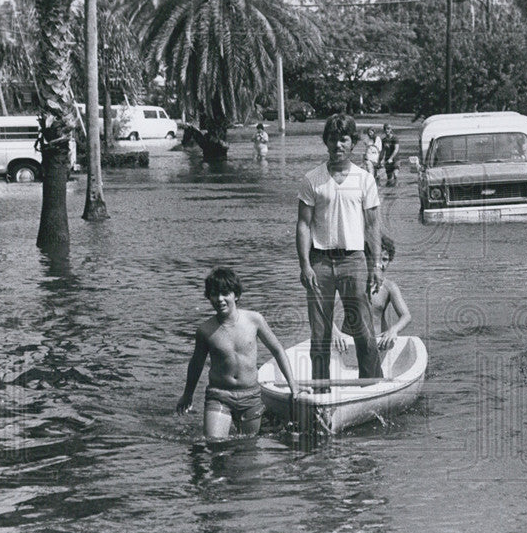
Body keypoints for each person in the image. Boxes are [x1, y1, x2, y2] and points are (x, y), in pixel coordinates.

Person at [296, 113, 384, 384]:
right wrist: (305, 265)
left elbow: (372, 226)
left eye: (343, 139)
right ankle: (320, 391)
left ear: (353, 143)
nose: (337, 145)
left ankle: (371, 385)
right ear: (326, 142)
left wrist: (376, 265)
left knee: (363, 330)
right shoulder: (312, 179)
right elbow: (303, 225)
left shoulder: (364, 179)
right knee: (320, 335)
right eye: (332, 139)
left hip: (354, 261)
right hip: (320, 262)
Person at [176, 267, 299, 439]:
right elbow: (196, 364)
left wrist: (293, 385)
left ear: (236, 295)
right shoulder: (205, 330)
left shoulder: (254, 320)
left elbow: (277, 350)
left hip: (250, 395)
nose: (220, 299)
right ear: (208, 297)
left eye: (225, 293)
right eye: (214, 294)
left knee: (247, 449)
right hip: (219, 395)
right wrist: (187, 395)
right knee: (215, 444)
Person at [334, 233, 412, 352]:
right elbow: (324, 311)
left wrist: (393, 330)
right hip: (350, 343)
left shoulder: (389, 287)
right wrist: (336, 333)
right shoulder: (348, 283)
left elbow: (406, 316)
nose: (380, 264)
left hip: (379, 342)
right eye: (376, 258)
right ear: (366, 258)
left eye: (385, 259)